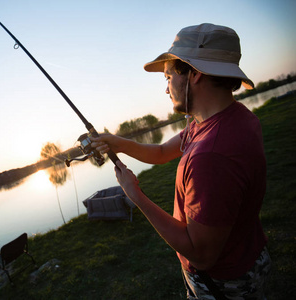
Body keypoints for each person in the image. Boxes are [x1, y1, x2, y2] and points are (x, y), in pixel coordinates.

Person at [91, 23, 271, 299]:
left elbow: (201, 254)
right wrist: (118, 143)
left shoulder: (212, 155)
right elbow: (163, 152)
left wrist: (135, 195)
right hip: (247, 254)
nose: (166, 89)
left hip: (223, 282)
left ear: (195, 73)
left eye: (167, 77)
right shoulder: (232, 118)